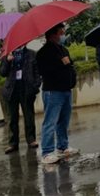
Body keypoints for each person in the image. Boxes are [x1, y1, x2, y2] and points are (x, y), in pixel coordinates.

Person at [36, 23, 79, 164]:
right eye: (60, 33)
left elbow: (70, 64)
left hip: (66, 90)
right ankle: (47, 152)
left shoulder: (62, 49)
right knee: (50, 122)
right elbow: (43, 71)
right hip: (53, 92)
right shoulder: (43, 53)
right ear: (52, 35)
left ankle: (63, 146)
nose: (63, 36)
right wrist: (60, 63)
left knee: (64, 121)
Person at [0, 44, 41, 154]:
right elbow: (2, 73)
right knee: (12, 118)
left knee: (29, 116)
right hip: (11, 91)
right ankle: (13, 143)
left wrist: (36, 84)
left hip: (27, 89)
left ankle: (31, 139)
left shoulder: (31, 54)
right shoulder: (6, 55)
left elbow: (37, 71)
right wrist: (8, 61)